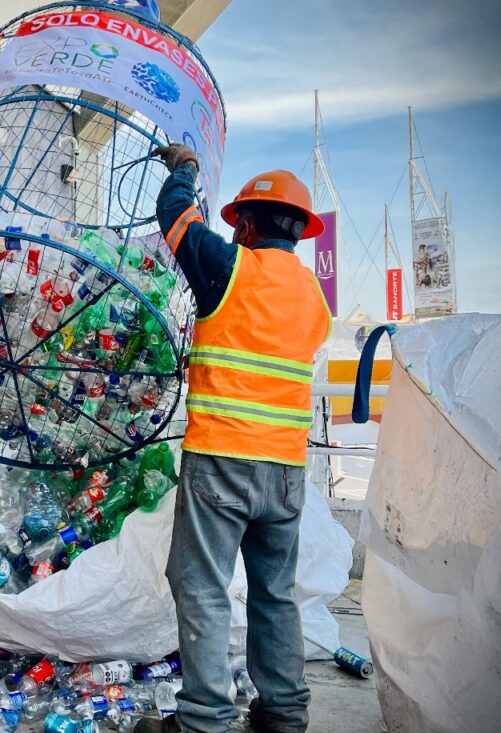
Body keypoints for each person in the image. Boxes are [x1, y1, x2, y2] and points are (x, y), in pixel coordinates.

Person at [136, 146, 331, 733]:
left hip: (223, 459)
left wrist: (184, 168)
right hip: (286, 471)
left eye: (237, 222)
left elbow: (176, 217)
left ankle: (204, 719)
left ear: (246, 223)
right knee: (275, 592)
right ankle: (284, 714)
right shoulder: (314, 296)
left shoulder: (229, 267)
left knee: (201, 587)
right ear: (297, 230)